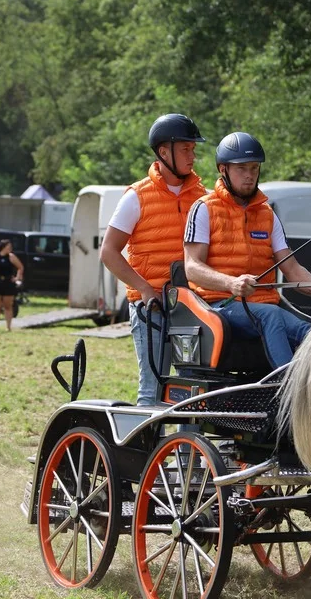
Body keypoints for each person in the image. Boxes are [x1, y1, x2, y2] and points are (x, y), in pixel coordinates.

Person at [183, 131, 311, 368]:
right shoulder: (203, 209)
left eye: (254, 168)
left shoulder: (267, 214)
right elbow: (192, 268)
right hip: (219, 305)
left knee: (310, 331)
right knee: (271, 316)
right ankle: (287, 389)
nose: (249, 175)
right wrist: (231, 283)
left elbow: (291, 267)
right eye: (242, 168)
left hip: (264, 305)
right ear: (223, 169)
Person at [100, 113, 208, 405]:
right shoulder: (136, 196)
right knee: (152, 390)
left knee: (193, 392)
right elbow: (109, 252)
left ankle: (188, 451)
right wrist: (145, 289)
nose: (193, 156)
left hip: (191, 308)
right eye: (186, 149)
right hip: (153, 308)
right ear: (164, 151)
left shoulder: (203, 197)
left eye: (193, 149)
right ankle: (148, 450)